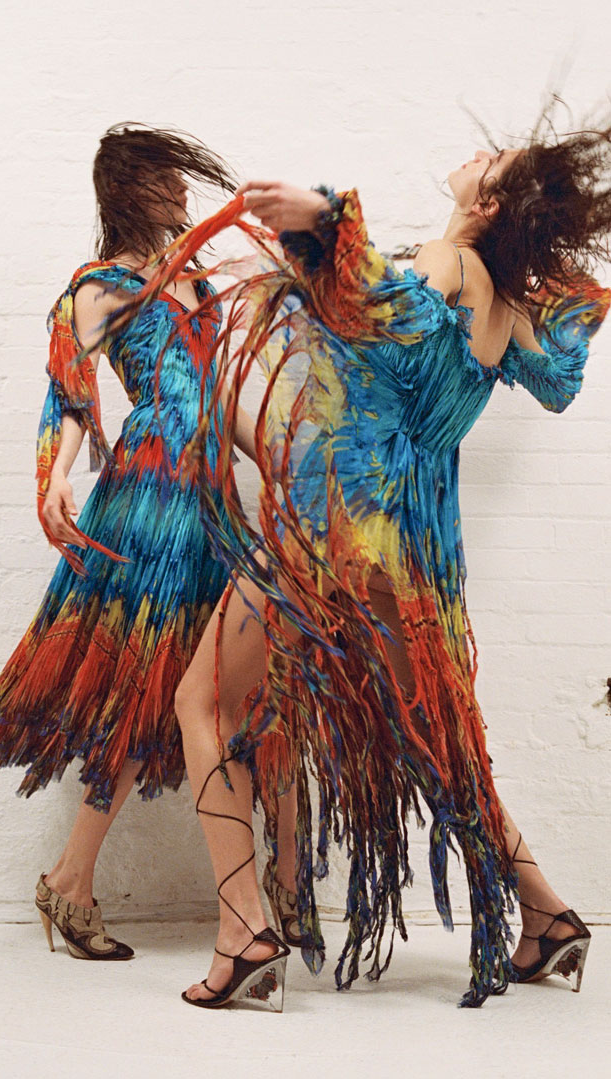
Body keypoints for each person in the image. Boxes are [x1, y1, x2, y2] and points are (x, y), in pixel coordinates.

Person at [129, 112, 611, 1007]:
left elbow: (377, 292)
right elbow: (554, 374)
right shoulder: (508, 307)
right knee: (438, 739)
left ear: (490, 203)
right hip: (414, 554)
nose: (474, 154)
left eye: (490, 160)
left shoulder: (448, 263)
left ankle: (243, 932)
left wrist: (325, 214)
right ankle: (546, 914)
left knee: (204, 702)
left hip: (332, 531)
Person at [0, 123, 279, 961]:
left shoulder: (197, 280)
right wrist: (55, 476)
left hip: (209, 499)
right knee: (149, 684)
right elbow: (71, 392)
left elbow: (223, 397)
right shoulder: (99, 285)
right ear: (130, 190)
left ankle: (82, 881)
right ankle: (83, 882)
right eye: (167, 180)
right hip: (150, 493)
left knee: (219, 690)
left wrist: (280, 466)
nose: (182, 192)